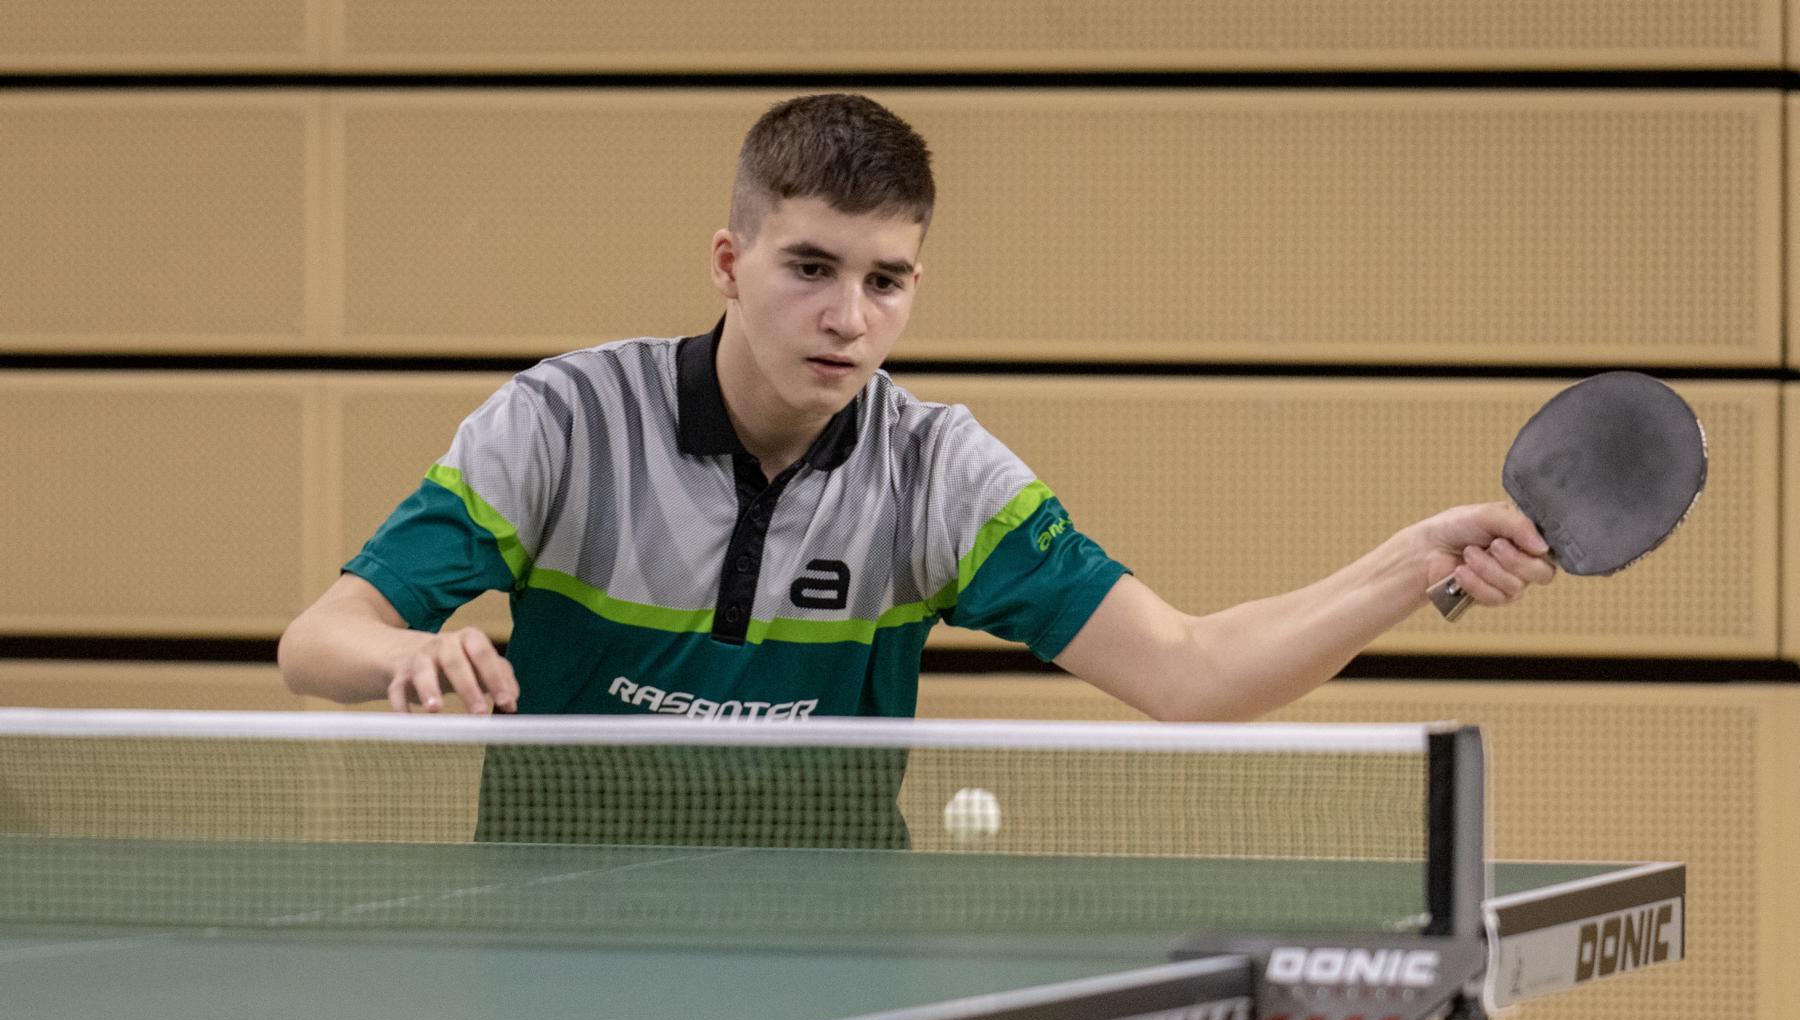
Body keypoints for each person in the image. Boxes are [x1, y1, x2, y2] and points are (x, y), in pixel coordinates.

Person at [280, 92, 1552, 732]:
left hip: (830, 950)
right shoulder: (565, 424)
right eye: (810, 268)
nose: (848, 317)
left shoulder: (938, 472)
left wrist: (1413, 564)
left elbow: (1192, 674)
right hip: (559, 943)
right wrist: (400, 656)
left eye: (884, 282)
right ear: (729, 262)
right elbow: (317, 640)